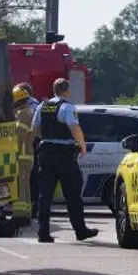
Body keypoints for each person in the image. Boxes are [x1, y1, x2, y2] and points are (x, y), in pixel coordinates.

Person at [30, 78, 99, 244]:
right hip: (64, 155)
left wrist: (46, 138)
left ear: (54, 90)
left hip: (46, 153)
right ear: (67, 91)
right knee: (72, 194)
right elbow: (74, 127)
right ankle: (80, 231)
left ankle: (43, 233)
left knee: (44, 195)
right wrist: (82, 145)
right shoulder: (67, 107)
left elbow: (35, 128)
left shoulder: (42, 106)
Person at [13, 83, 42, 221]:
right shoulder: (29, 111)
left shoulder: (23, 113)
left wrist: (12, 151)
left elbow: (19, 136)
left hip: (22, 156)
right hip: (28, 155)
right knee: (25, 186)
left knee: (20, 186)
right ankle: (25, 213)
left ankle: (20, 216)